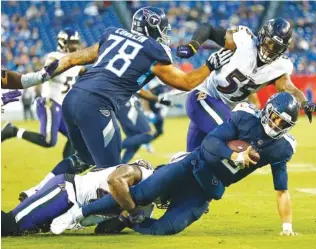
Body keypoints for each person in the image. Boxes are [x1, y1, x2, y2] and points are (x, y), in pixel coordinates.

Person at [2, 7, 229, 179]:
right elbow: (187, 82)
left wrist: (27, 79)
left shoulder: (113, 35)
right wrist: (211, 63)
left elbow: (70, 59)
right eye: (162, 29)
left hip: (72, 100)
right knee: (112, 174)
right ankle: (82, 212)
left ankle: (38, 191)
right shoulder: (153, 51)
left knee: (84, 159)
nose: (164, 34)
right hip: (96, 106)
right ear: (153, 28)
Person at [51, 92, 300, 236]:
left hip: (209, 187)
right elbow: (211, 143)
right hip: (194, 163)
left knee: (166, 229)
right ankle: (79, 212)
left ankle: (128, 221)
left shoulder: (281, 148)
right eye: (275, 118)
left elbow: (281, 188)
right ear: (267, 110)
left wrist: (287, 227)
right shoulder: (245, 117)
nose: (276, 124)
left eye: (282, 123)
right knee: (140, 193)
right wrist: (236, 156)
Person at [176, 18, 316, 151]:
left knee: (192, 163)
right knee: (234, 136)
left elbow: (290, 89)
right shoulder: (244, 40)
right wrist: (192, 46)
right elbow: (208, 29)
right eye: (269, 42)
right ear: (262, 36)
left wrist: (304, 103)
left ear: (283, 50)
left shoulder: (279, 67)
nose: (270, 49)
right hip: (204, 97)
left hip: (222, 110)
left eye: (276, 47)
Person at [1, 159, 154, 236]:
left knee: (14, 231)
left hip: (70, 214)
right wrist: (132, 210)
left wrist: (125, 219)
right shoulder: (142, 173)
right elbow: (115, 180)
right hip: (66, 191)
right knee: (9, 224)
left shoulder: (147, 203)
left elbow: (103, 230)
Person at [2, 28, 84, 163]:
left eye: (76, 43)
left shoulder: (76, 61)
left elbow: (84, 71)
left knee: (76, 136)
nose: (74, 47)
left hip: (63, 106)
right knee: (48, 141)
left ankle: (68, 169)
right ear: (63, 43)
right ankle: (12, 131)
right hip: (50, 102)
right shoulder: (55, 56)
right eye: (71, 43)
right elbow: (48, 69)